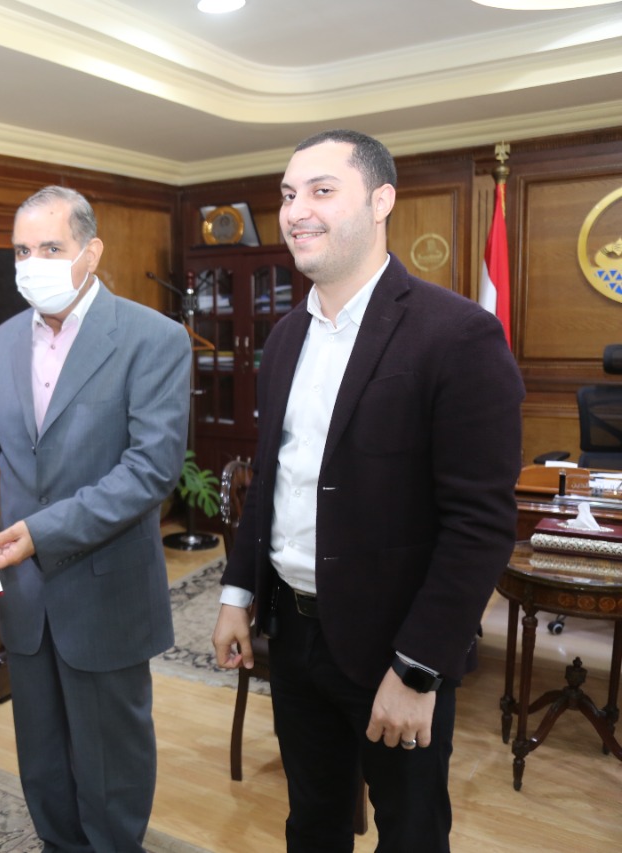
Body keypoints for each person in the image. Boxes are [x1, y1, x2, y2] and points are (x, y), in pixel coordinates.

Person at [212, 130, 524, 852]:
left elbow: (479, 525)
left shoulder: (458, 335)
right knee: (312, 822)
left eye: (322, 190)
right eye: (289, 194)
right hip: (293, 635)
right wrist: (236, 593)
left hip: (395, 644)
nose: (297, 211)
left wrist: (418, 669)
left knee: (411, 833)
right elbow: (274, 478)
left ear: (381, 201)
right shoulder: (284, 339)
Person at [0, 186, 190, 852]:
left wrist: (42, 533)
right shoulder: (6, 339)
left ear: (91, 253)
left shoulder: (153, 338)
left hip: (105, 590)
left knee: (111, 766)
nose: (31, 264)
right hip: (27, 598)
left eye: (50, 248)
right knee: (41, 759)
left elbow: (149, 472)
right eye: (21, 251)